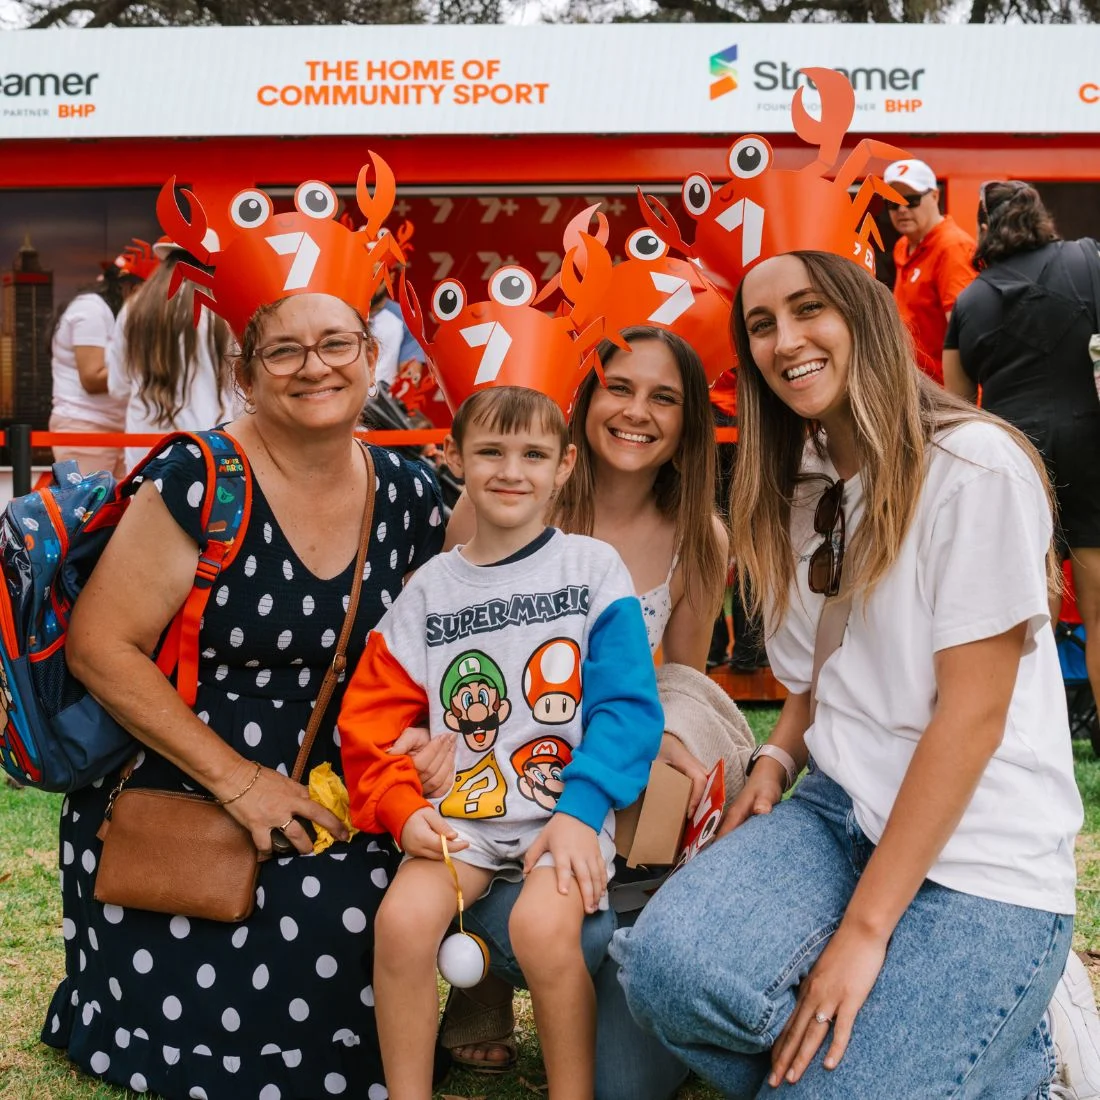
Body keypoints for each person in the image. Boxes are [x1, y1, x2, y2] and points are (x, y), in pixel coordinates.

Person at [611, 248, 1083, 1097]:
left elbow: (971, 718)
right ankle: (965, 1055)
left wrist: (864, 932)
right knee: (664, 970)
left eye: (807, 308)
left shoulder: (976, 466)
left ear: (864, 312)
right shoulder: (804, 487)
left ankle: (1027, 1053)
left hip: (980, 853)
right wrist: (778, 758)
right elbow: (823, 675)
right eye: (761, 324)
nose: (784, 339)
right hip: (838, 813)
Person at [41, 170, 448, 1099]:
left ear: (370, 358)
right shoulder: (199, 479)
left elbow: (447, 645)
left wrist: (432, 736)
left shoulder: (415, 496)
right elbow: (100, 647)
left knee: (401, 892)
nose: (317, 367)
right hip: (184, 793)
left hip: (347, 784)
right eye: (285, 351)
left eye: (337, 342)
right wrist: (241, 784)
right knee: (312, 924)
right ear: (242, 371)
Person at [415, 327, 739, 1097]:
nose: (637, 412)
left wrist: (666, 736)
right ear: (584, 401)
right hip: (499, 756)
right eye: (619, 388)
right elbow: (448, 649)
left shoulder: (699, 535)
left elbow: (681, 675)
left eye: (664, 398)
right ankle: (479, 983)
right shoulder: (506, 496)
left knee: (624, 1078)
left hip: (598, 766)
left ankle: (638, 955)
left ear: (690, 420)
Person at [339, 384, 664, 1099]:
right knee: (398, 926)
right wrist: (400, 806)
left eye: (533, 454)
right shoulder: (429, 589)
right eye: (490, 450)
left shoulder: (592, 568)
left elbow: (629, 708)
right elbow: (368, 720)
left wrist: (583, 810)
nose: (510, 470)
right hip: (460, 825)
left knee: (544, 931)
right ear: (453, 455)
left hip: (563, 817)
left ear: (565, 465)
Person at [944, 180, 1100, 768]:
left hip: (1016, 460)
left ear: (984, 226)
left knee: (1031, 609)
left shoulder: (971, 302)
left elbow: (956, 408)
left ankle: (1039, 746)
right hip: (1092, 447)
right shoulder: (1088, 259)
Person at [107, 243, 236, 472]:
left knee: (147, 506)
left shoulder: (133, 310)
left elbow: (118, 387)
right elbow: (243, 393)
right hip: (212, 441)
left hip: (145, 443)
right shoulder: (225, 309)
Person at [884, 157, 976, 385]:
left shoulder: (952, 247)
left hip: (944, 395)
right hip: (916, 388)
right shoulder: (903, 246)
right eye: (893, 203)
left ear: (935, 196)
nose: (902, 209)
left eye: (911, 200)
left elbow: (966, 334)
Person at [49, 261, 142, 477]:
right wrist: (148, 371)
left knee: (115, 510)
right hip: (86, 428)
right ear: (133, 289)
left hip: (115, 429)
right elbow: (92, 378)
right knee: (87, 508)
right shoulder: (91, 309)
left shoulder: (115, 314)